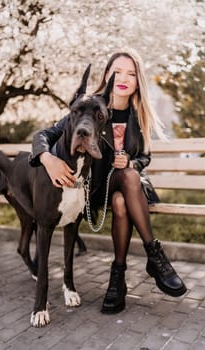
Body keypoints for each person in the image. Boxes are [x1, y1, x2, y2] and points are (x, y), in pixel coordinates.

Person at [29, 48, 187, 315]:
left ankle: (118, 277)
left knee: (122, 194)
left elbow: (144, 157)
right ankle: (154, 256)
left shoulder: (140, 115)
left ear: (139, 81)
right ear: (107, 76)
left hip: (130, 186)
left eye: (132, 73)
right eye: (117, 72)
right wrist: (46, 157)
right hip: (95, 187)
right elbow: (44, 134)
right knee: (119, 191)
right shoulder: (90, 107)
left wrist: (132, 162)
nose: (124, 78)